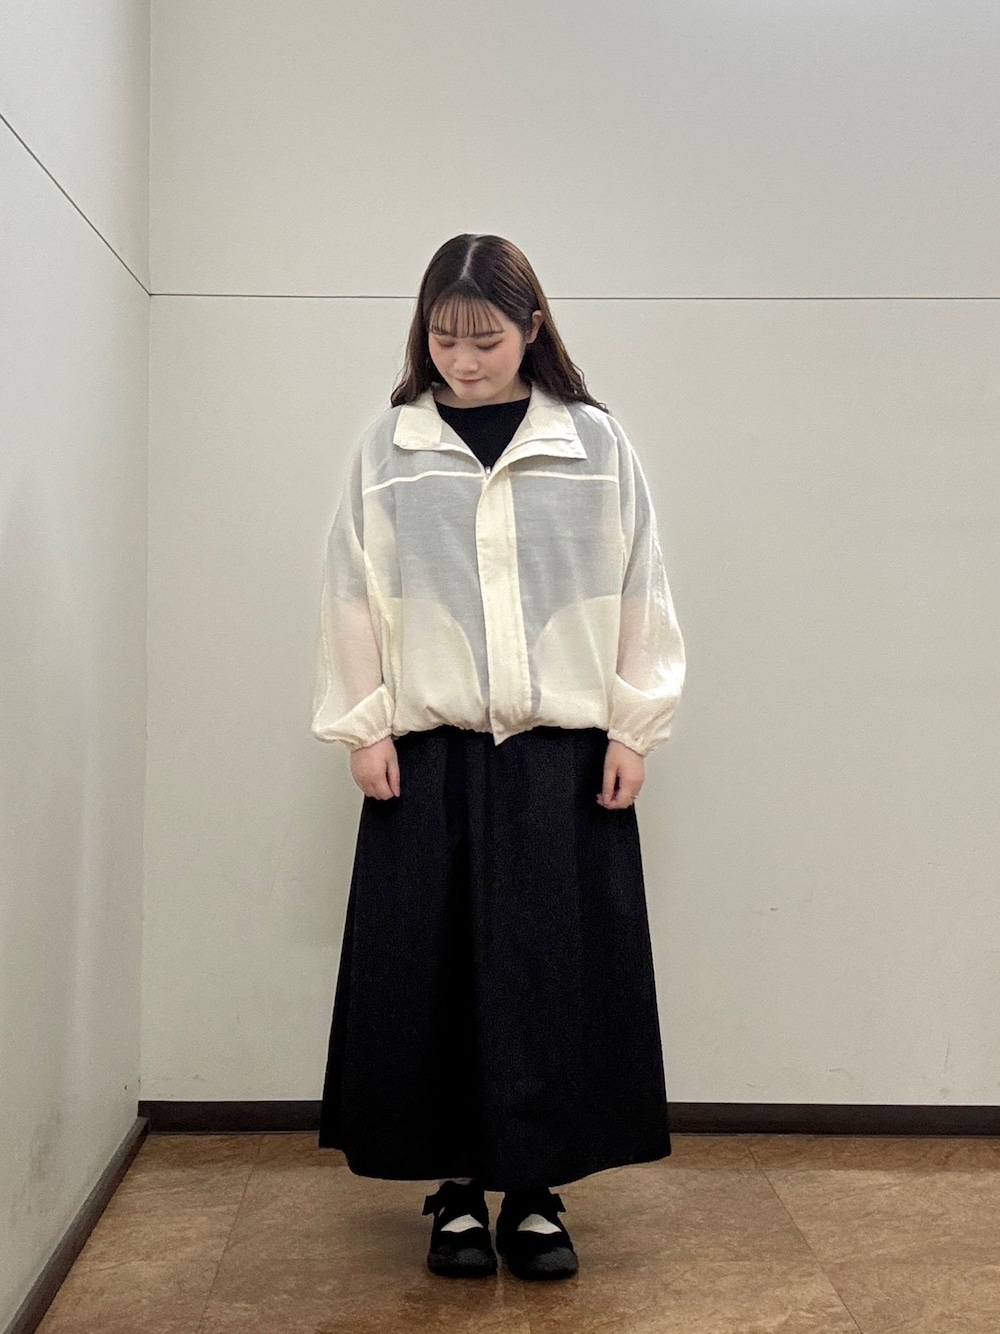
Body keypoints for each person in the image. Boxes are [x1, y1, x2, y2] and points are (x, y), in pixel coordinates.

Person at [311, 233, 686, 1281]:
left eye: (483, 340)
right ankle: (454, 1192)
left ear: (532, 328)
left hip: (561, 755)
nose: (462, 361)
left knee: (547, 973)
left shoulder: (594, 444)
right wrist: (364, 725)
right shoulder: (392, 447)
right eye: (444, 338)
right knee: (428, 970)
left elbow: (639, 583)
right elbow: (351, 588)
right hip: (427, 752)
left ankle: (533, 1192)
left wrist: (633, 726)